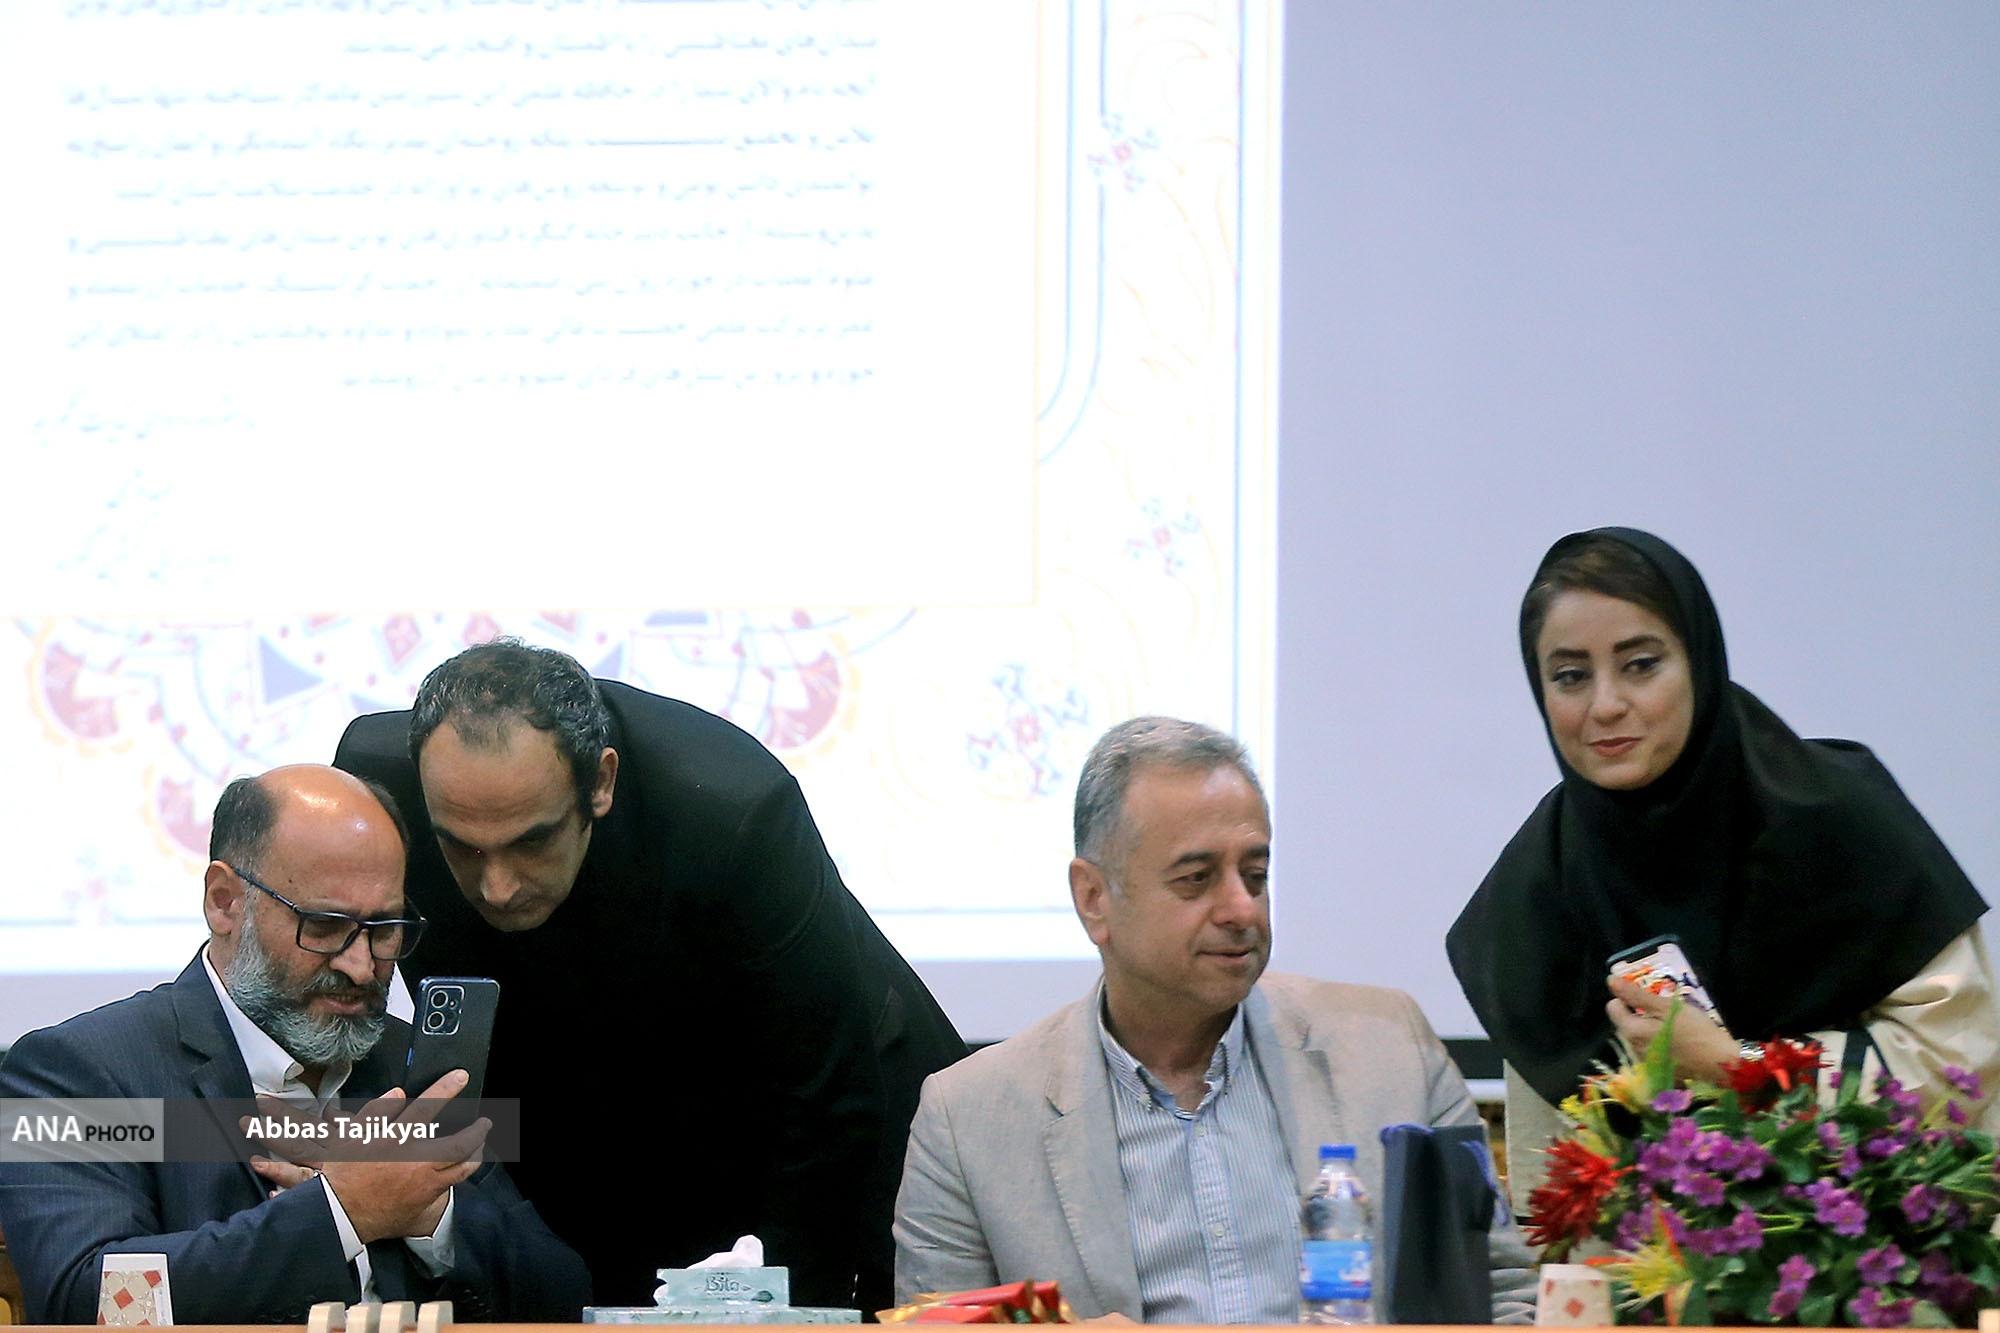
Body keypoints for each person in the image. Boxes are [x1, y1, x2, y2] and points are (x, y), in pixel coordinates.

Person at [333, 639, 967, 1310]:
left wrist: (791, 1307)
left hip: (810, 1104)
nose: (497, 887)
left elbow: (825, 1103)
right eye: (461, 846)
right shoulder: (372, 791)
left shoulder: (733, 808)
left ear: (600, 783)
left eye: (532, 841)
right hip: (575, 1111)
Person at [893, 717, 1535, 1323]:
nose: (1241, 909)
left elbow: (1503, 1299)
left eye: (1255, 875)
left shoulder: (1390, 1047)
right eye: (1196, 879)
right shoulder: (970, 1121)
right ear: (1094, 899)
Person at [1447, 527, 1999, 1211]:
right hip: (1642, 1268)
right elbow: (1556, 1190)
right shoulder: (1540, 882)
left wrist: (1734, 1067)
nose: (1605, 704)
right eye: (1570, 676)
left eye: (1640, 664)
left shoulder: (1838, 818)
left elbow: (1958, 1061)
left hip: (1881, 1255)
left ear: (1700, 663)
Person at [0, 767, 590, 1325]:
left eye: (384, 930)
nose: (361, 967)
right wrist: (343, 1214)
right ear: (225, 902)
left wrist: (433, 1213)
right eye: (326, 926)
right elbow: (87, 1298)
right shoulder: (75, 1070)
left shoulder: (405, 1064)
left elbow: (567, 1295)